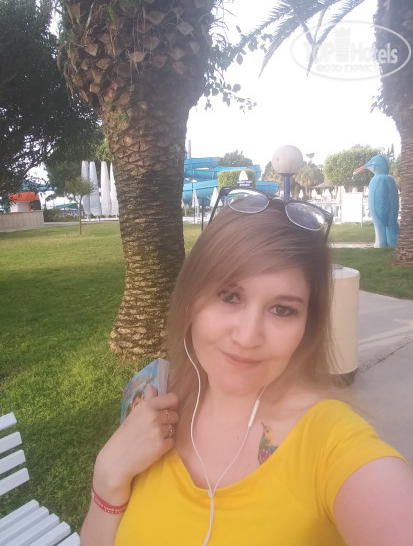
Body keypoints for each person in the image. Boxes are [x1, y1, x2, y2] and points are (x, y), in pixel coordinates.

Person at [81, 188, 413, 546]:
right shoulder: (156, 398)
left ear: (307, 325)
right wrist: (107, 479)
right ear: (191, 299)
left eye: (282, 310)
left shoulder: (332, 443)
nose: (248, 336)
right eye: (230, 296)